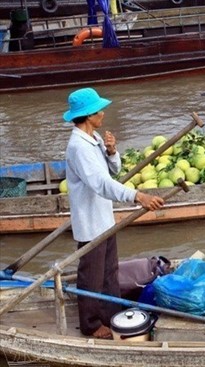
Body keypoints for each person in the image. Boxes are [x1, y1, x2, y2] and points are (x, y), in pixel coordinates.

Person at [63, 87, 165, 339]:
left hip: (104, 218)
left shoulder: (94, 139)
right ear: (88, 115)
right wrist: (137, 196)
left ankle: (110, 316)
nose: (103, 113)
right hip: (90, 222)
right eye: (99, 110)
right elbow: (101, 184)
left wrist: (111, 151)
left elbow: (113, 172)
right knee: (91, 276)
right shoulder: (79, 147)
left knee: (110, 273)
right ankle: (90, 324)